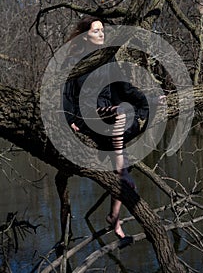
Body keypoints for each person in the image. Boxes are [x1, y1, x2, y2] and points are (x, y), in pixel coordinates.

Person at [63, 16, 149, 239]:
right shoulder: (73, 59)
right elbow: (65, 91)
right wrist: (68, 119)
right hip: (85, 114)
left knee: (123, 112)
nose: (101, 34)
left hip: (105, 113)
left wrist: (146, 99)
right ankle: (124, 169)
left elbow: (123, 86)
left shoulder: (108, 58)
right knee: (120, 115)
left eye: (103, 30)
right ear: (85, 35)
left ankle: (114, 217)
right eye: (96, 31)